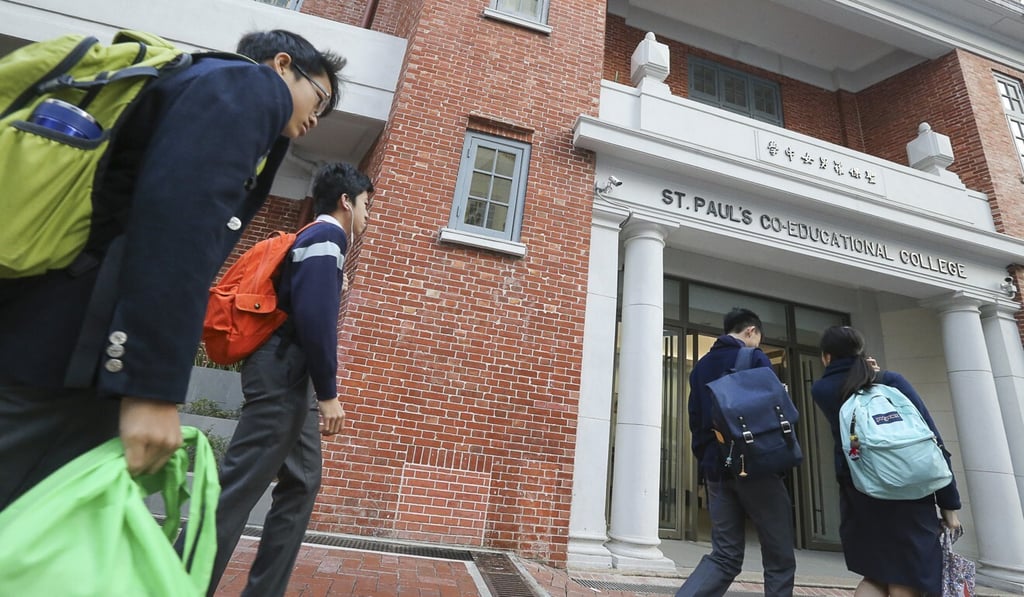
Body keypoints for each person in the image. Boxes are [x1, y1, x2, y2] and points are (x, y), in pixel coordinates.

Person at [0, 29, 346, 510]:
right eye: (321, 97)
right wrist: (150, 387)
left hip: (54, 329)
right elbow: (180, 223)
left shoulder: (198, 81)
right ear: (282, 65)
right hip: (68, 345)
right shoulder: (249, 86)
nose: (317, 116)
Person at [203, 162, 373, 597]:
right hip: (283, 373)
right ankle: (175, 585)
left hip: (288, 375)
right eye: (367, 205)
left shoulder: (314, 239)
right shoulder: (328, 237)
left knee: (302, 481)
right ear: (346, 202)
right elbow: (316, 320)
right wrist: (330, 392)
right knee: (239, 488)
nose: (368, 216)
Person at [811, 325, 961, 597]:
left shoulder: (822, 389)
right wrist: (949, 503)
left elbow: (844, 383)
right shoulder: (890, 381)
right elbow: (931, 439)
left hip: (861, 490)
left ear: (826, 358)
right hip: (911, 492)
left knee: (877, 574)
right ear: (861, 351)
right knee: (908, 577)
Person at [677, 308, 796, 597]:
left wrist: (709, 460)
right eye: (757, 337)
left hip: (717, 469)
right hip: (757, 465)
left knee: (725, 556)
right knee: (779, 557)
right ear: (751, 331)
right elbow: (775, 410)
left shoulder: (701, 367)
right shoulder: (754, 357)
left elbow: (695, 421)